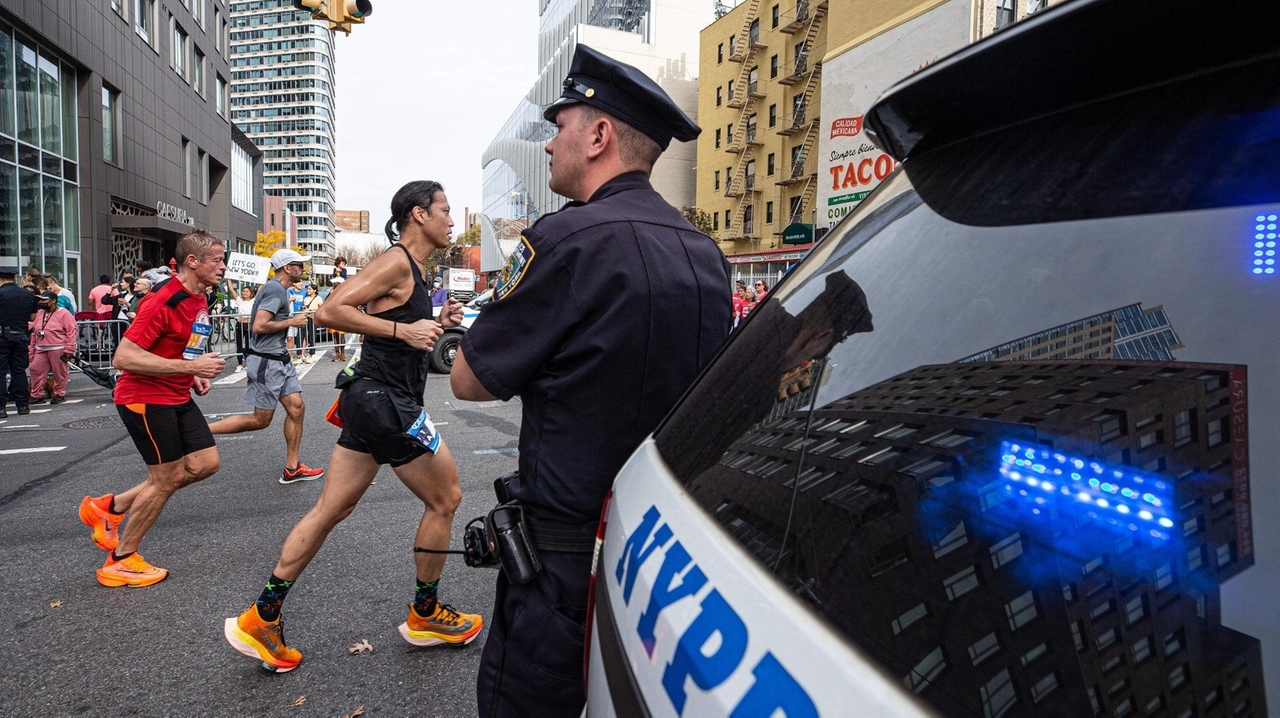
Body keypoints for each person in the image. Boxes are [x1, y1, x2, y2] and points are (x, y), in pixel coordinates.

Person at [450, 45, 731, 717]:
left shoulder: (568, 240)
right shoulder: (706, 253)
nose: (550, 146)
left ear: (599, 135)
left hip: (563, 566)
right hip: (661, 552)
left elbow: (467, 379)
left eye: (561, 127)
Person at [223, 181, 482, 674]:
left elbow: (398, 323)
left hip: (372, 399)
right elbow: (330, 310)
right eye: (446, 210)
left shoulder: (416, 269)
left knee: (331, 508)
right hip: (387, 403)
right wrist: (403, 329)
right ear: (418, 214)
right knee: (445, 498)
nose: (452, 220)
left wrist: (433, 318)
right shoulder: (397, 260)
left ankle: (263, 615)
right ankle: (425, 614)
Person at [76, 230, 228, 587]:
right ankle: (121, 559)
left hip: (176, 394)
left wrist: (192, 374)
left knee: (206, 464)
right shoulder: (163, 300)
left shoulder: (201, 296)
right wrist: (189, 369)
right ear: (193, 261)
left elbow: (182, 344)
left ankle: (108, 509)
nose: (223, 266)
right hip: (144, 398)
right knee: (167, 479)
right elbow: (124, 357)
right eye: (217, 260)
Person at [206, 249, 325, 484]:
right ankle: (199, 432)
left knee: (297, 409)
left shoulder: (277, 289)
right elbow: (259, 326)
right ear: (286, 268)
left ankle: (292, 468)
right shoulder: (274, 289)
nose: (302, 268)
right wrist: (291, 321)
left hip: (279, 359)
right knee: (261, 420)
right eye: (298, 264)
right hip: (266, 362)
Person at [0, 260, 39, 418]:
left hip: (2, 336)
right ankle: (23, 405)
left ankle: (1, 408)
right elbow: (32, 316)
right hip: (21, 335)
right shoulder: (27, 294)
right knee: (19, 371)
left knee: (0, 372)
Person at [27, 290, 77, 405]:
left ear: (53, 301)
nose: (41, 302)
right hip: (41, 347)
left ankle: (59, 393)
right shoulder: (40, 313)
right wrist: (32, 348)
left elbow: (71, 331)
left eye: (44, 300)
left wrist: (69, 349)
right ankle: (36, 394)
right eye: (40, 300)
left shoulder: (64, 313)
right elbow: (34, 331)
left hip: (58, 347)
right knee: (35, 369)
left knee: (60, 372)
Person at [232, 285, 256, 372]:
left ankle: (248, 362)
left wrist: (262, 279)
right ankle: (239, 364)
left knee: (248, 345)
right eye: (243, 291)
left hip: (249, 325)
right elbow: (232, 290)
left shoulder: (253, 301)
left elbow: (260, 289)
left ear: (251, 293)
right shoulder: (240, 301)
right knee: (239, 345)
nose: (245, 293)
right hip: (240, 324)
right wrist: (229, 279)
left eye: (247, 291)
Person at [300, 283, 323, 363]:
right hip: (306, 318)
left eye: (310, 289)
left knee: (312, 336)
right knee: (303, 336)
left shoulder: (318, 298)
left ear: (315, 290)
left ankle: (311, 355)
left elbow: (321, 307)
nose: (308, 291)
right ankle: (301, 354)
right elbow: (304, 307)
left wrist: (311, 310)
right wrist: (303, 309)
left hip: (313, 318)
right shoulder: (306, 298)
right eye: (308, 289)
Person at [328, 277, 347, 362]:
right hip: (333, 316)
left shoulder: (344, 293)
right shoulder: (331, 293)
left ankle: (343, 353)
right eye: (334, 284)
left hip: (341, 316)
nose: (334, 285)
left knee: (342, 335)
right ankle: (337, 353)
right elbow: (326, 302)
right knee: (335, 335)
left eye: (336, 283)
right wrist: (330, 294)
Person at [287, 278, 306, 362]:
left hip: (301, 317)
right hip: (291, 317)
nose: (301, 283)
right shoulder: (289, 292)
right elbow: (284, 303)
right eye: (299, 282)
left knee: (302, 337)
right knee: (290, 338)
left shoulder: (304, 292)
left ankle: (302, 354)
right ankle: (289, 355)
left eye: (301, 282)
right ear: (294, 283)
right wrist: (290, 299)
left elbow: (307, 303)